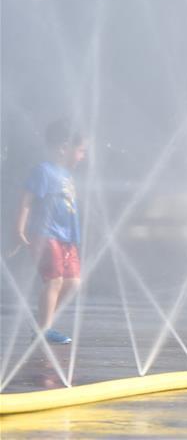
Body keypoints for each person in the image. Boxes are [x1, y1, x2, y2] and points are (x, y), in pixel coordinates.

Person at [15, 119, 87, 344]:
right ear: (64, 148)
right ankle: (44, 328)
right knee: (54, 281)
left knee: (73, 282)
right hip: (46, 234)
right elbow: (27, 199)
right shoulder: (43, 171)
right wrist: (20, 228)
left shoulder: (67, 175)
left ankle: (43, 323)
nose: (83, 156)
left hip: (68, 238)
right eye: (81, 151)